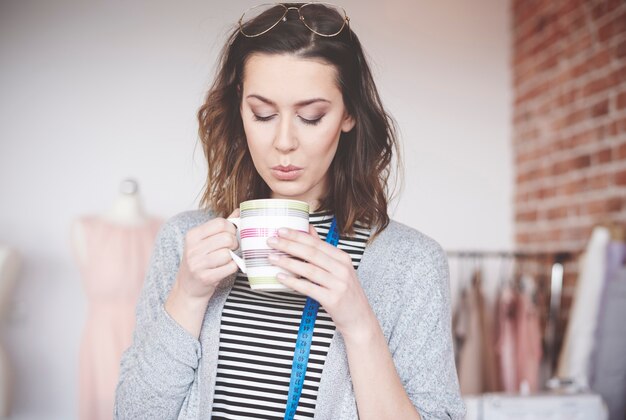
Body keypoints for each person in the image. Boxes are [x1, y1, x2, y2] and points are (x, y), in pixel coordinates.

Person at [114, 3, 465, 419]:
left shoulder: (411, 264)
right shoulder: (184, 243)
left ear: (349, 113)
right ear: (239, 108)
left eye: (311, 116)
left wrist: (358, 322)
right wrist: (187, 296)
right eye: (262, 114)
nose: (284, 142)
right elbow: (133, 414)